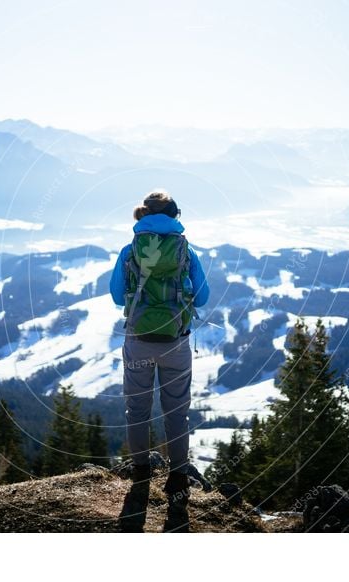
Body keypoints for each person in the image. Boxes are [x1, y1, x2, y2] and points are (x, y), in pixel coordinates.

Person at [109, 189, 210, 529]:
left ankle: (141, 474)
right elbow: (204, 296)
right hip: (176, 343)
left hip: (138, 341)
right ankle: (178, 479)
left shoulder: (130, 250)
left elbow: (113, 295)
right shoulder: (186, 250)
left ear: (143, 215)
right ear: (175, 216)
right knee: (176, 412)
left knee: (137, 408)